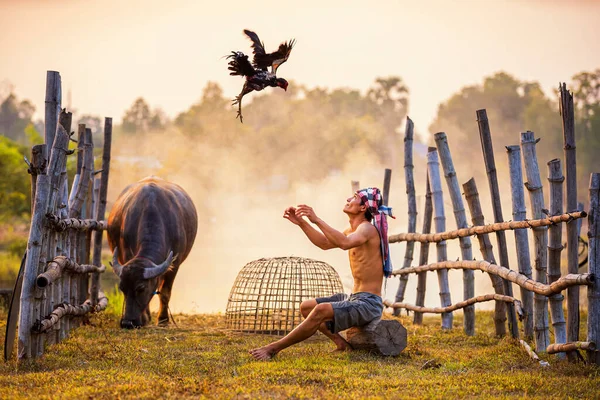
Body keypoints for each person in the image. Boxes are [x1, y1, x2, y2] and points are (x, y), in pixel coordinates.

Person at [249, 187, 393, 361]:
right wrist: (302, 222)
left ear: (363, 208)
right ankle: (341, 344)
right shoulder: (353, 229)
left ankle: (272, 349)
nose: (348, 199)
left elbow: (344, 243)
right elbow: (324, 243)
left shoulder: (367, 229)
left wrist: (316, 219)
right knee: (307, 307)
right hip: (355, 298)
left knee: (320, 310)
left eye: (354, 197)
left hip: (368, 303)